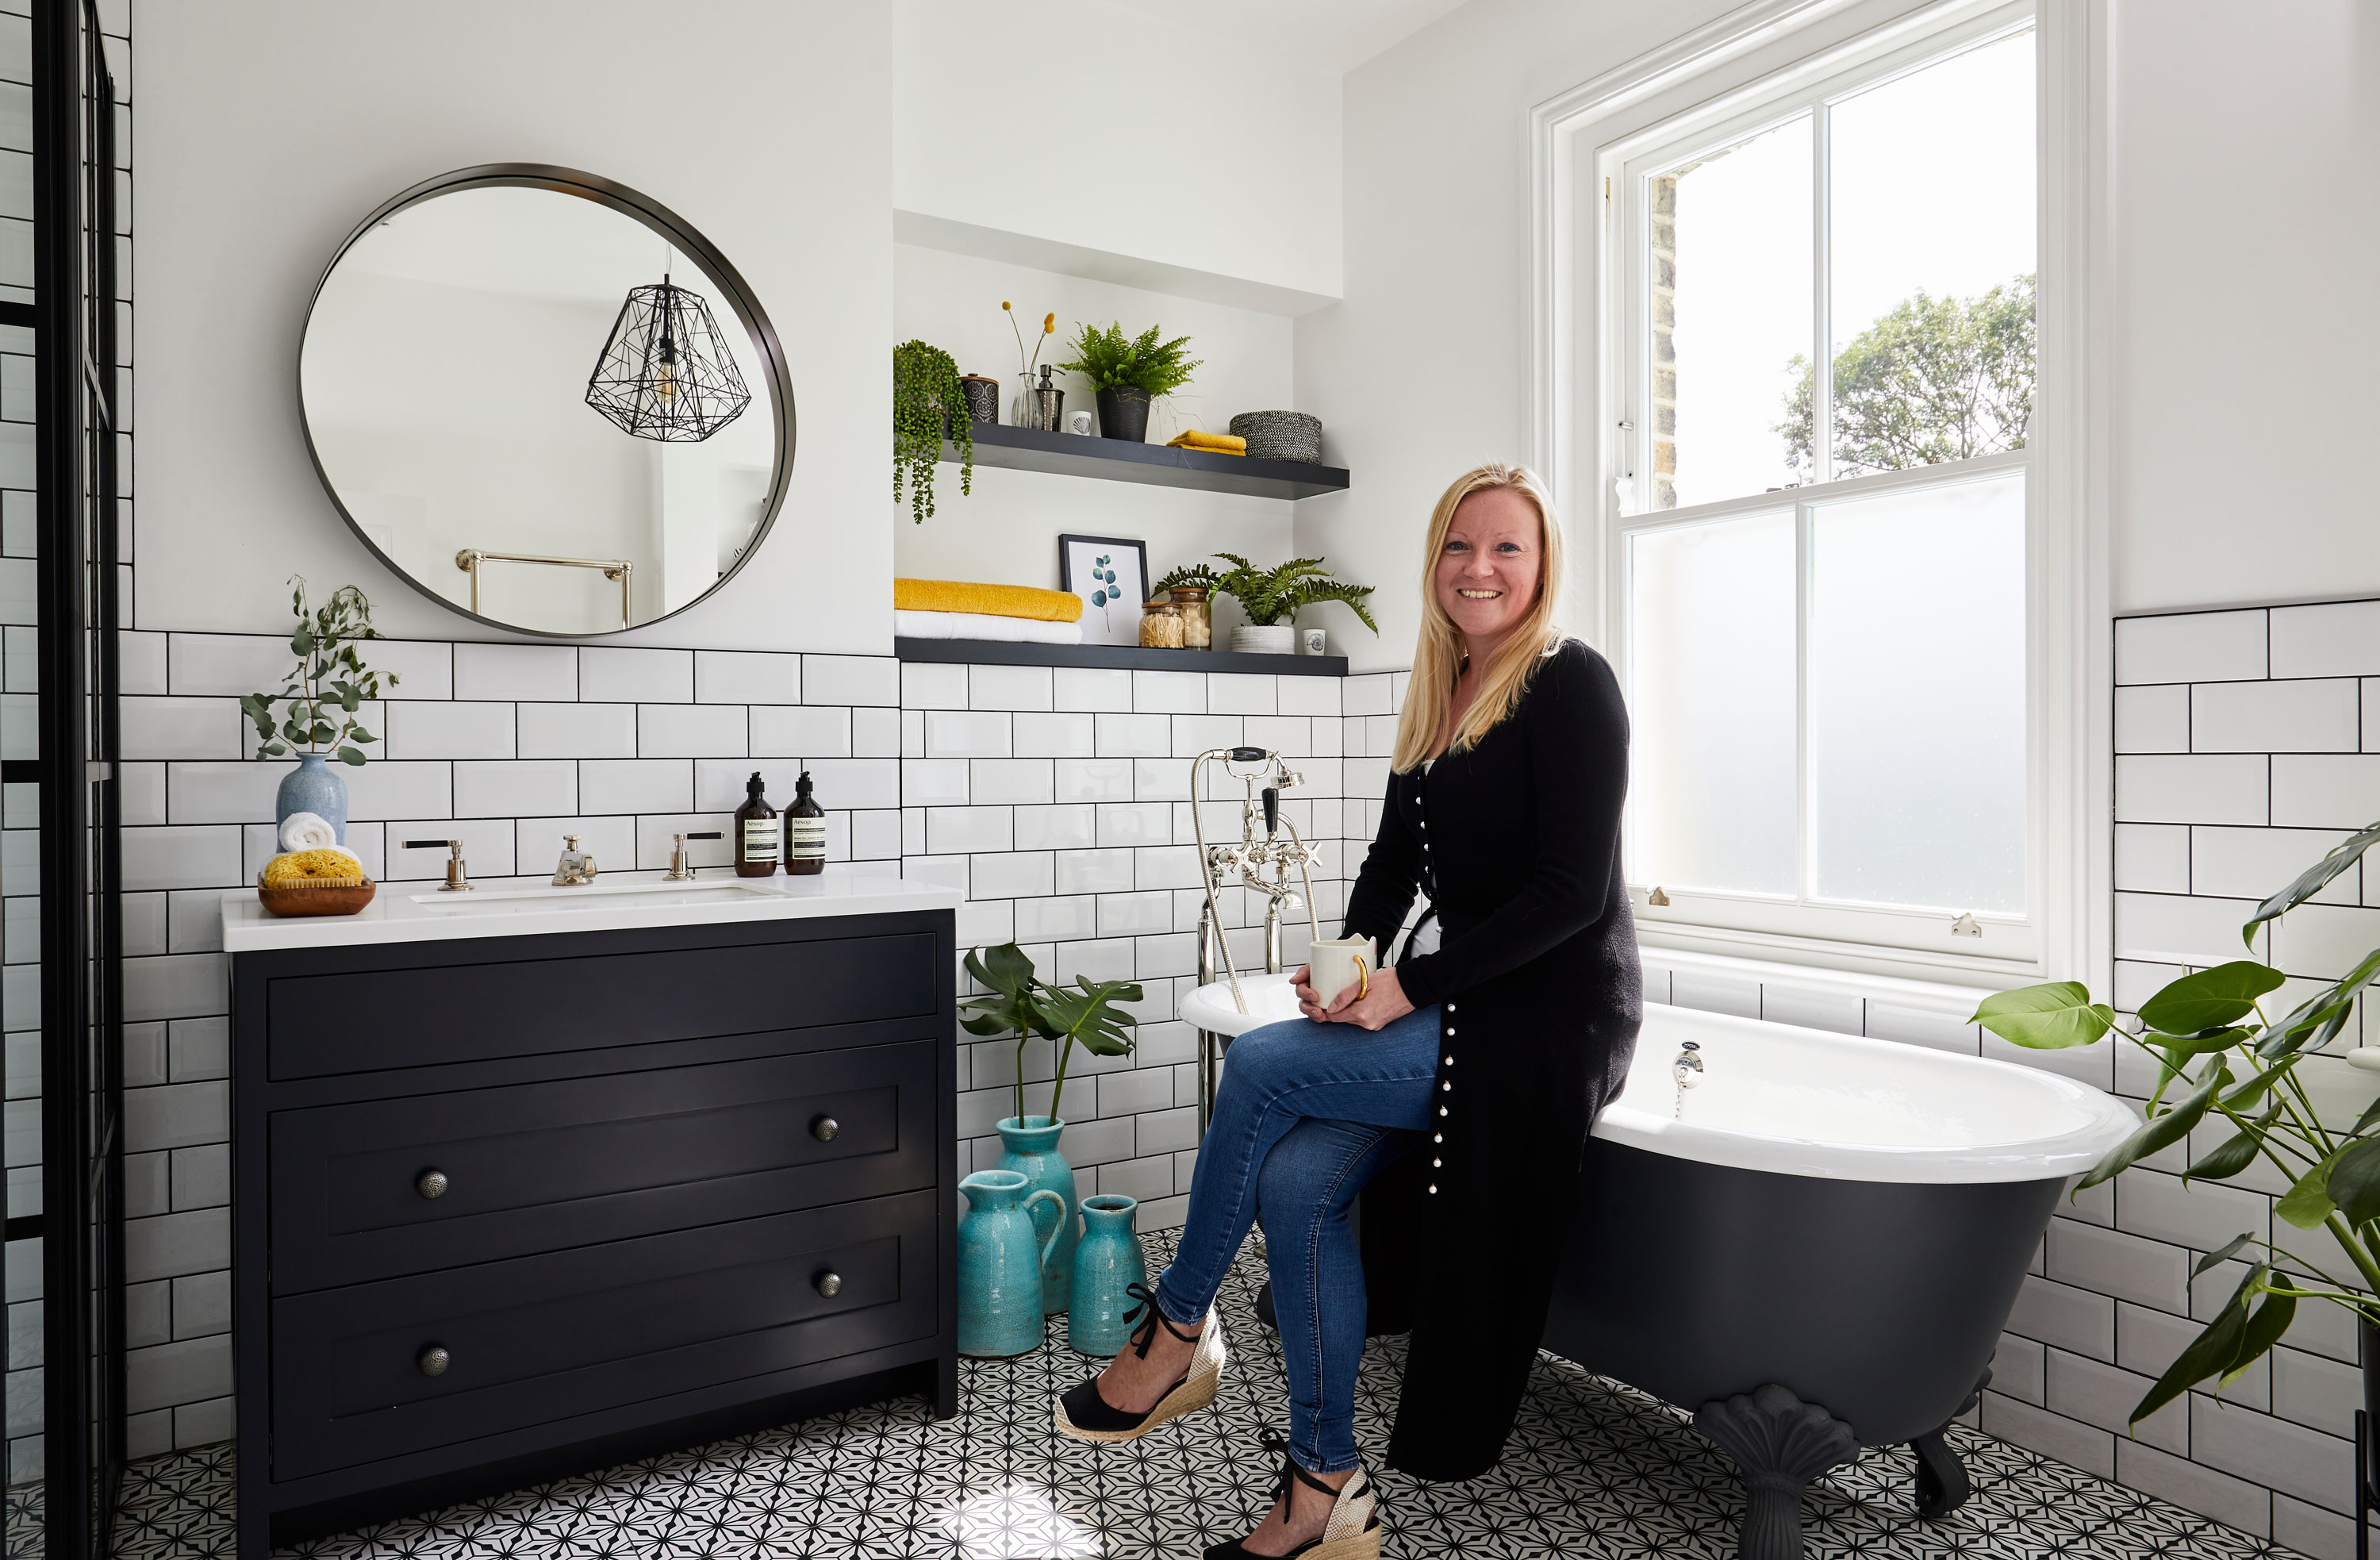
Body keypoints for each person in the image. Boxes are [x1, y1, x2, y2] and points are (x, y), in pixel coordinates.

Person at [1053, 463, 1641, 1560]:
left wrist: (1408, 986)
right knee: (1293, 1180)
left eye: (1508, 547)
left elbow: (1570, 892)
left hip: (1547, 1016)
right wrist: (1349, 961)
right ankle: (1322, 1485)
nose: (1480, 568)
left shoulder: (1570, 682)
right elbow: (1391, 864)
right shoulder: (1441, 688)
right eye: (1461, 546)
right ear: (1435, 563)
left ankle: (1178, 1329)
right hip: (1461, 994)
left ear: (1544, 564)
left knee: (1263, 1068)